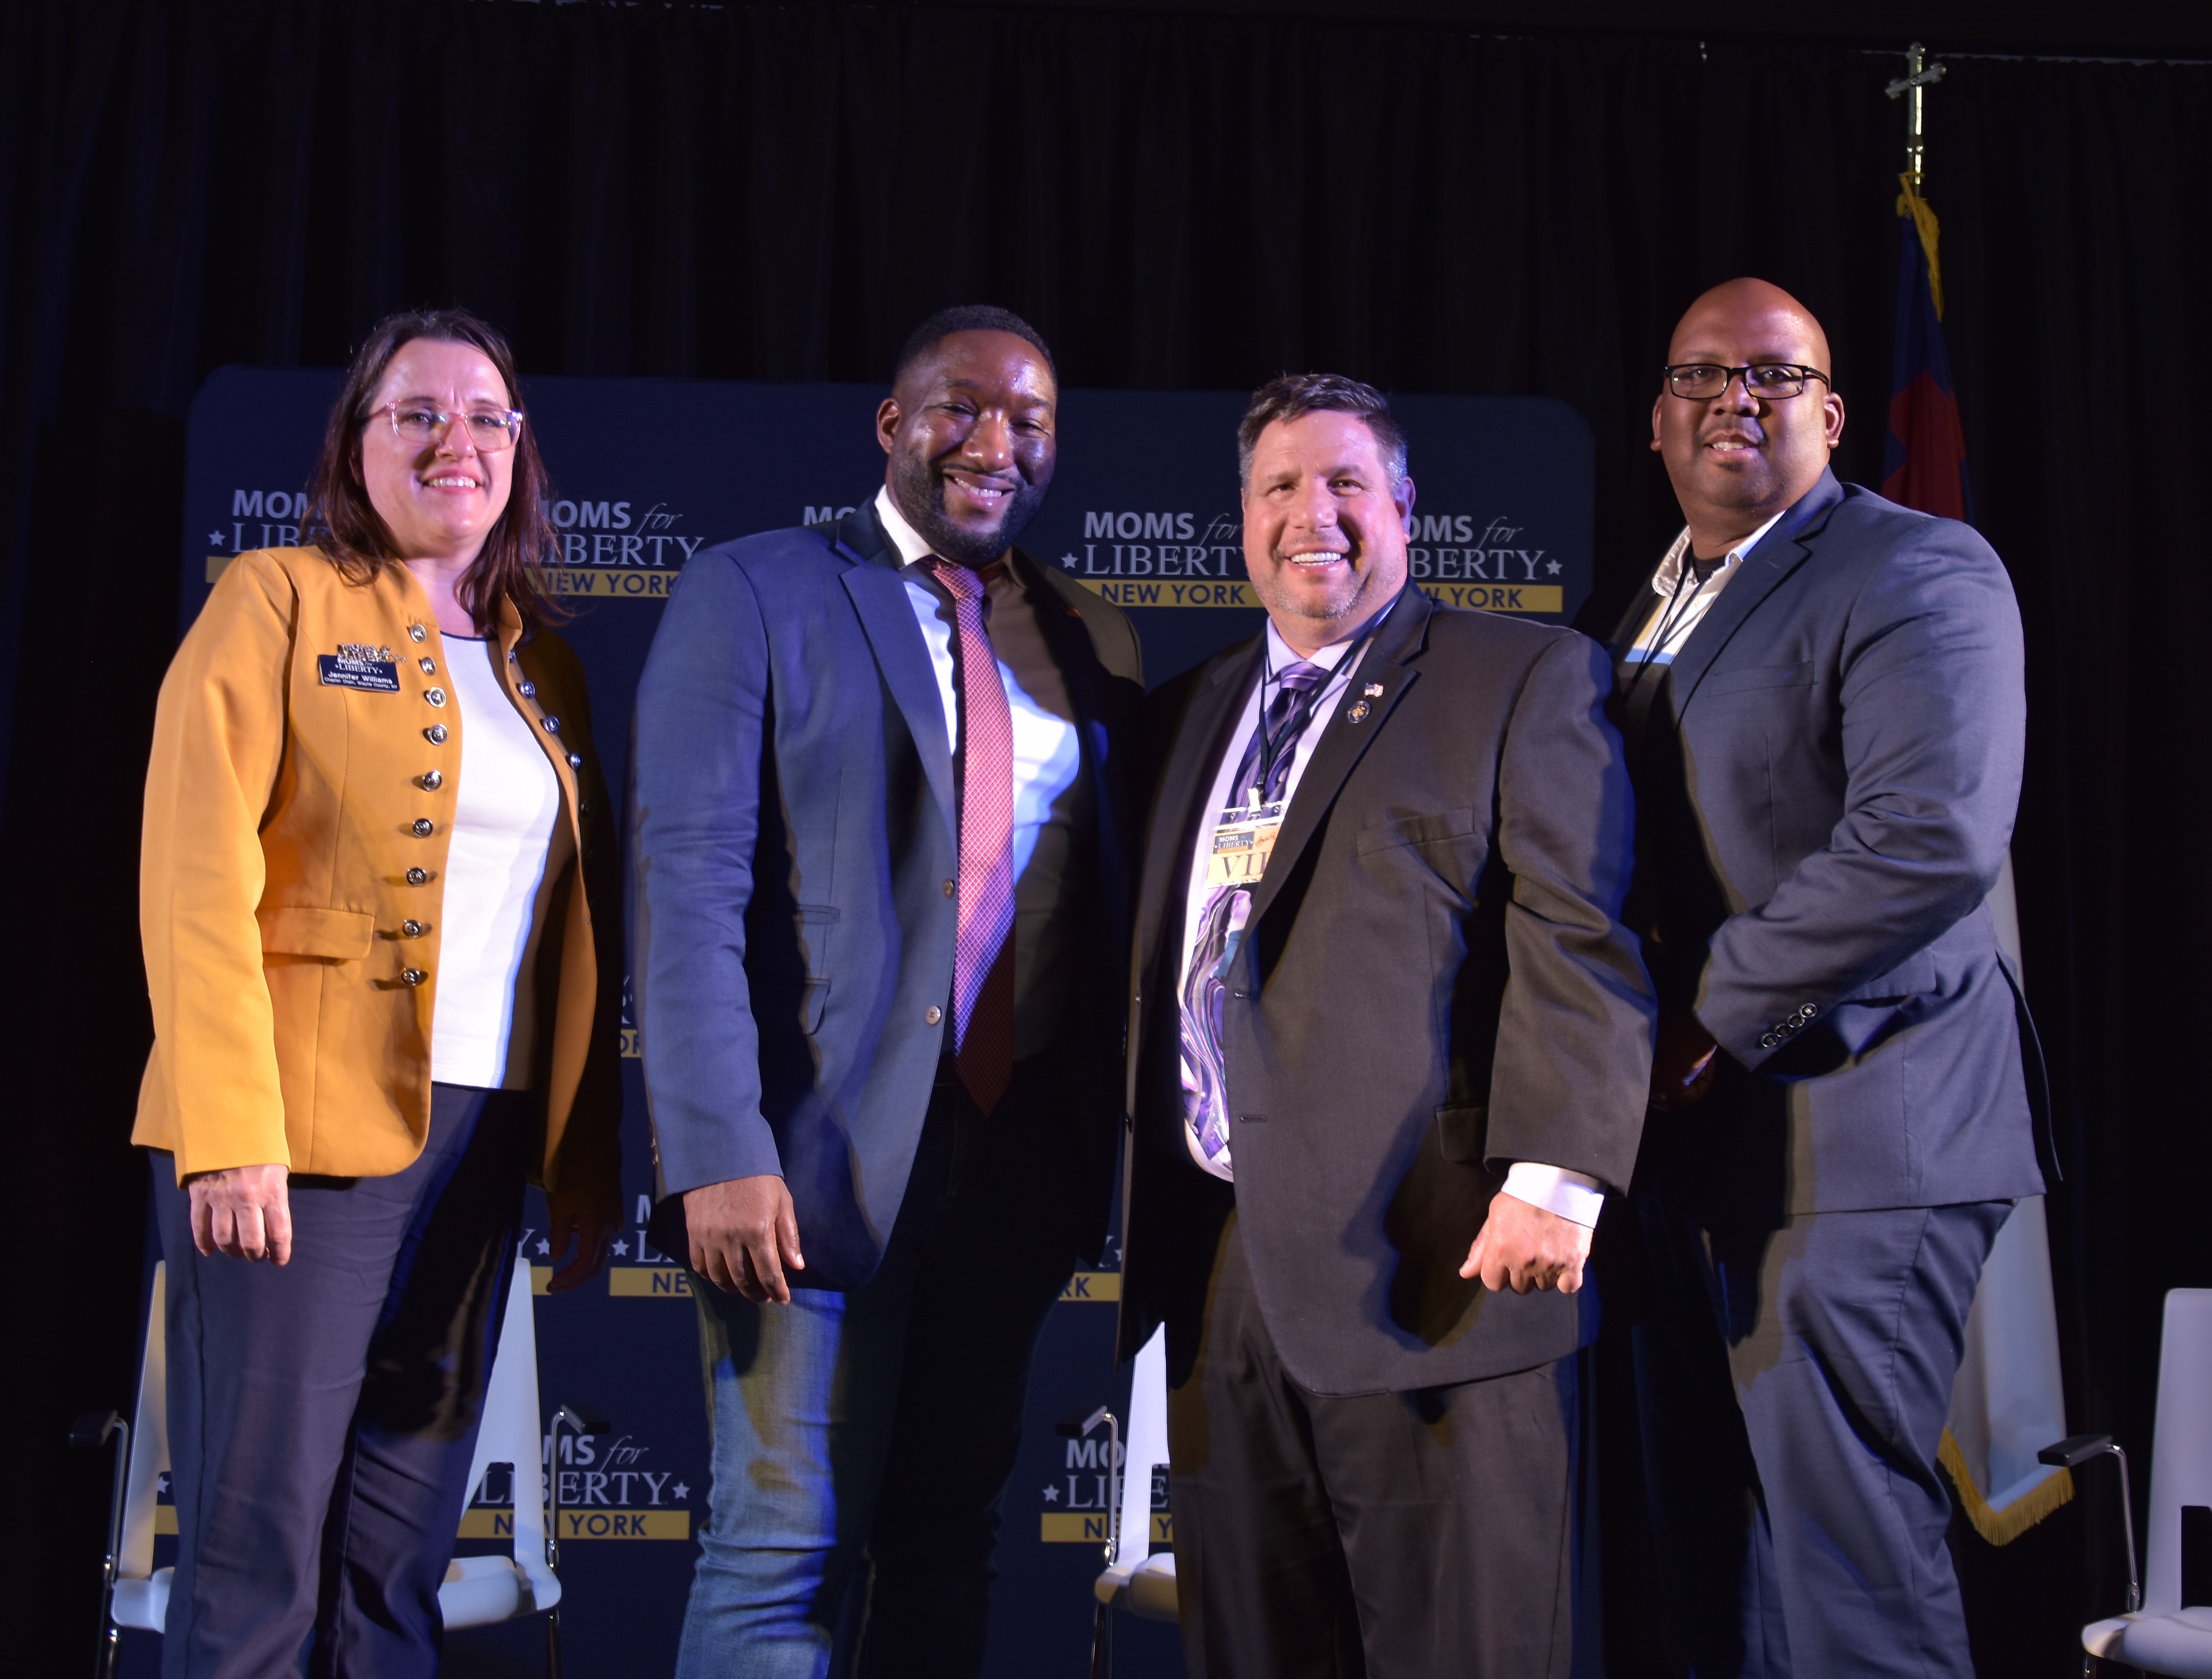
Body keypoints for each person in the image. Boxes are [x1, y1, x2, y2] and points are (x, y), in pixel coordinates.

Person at [629, 305, 1143, 1677]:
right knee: (780, 1545)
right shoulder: (755, 589)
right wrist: (717, 1150)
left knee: (946, 1536)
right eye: (961, 407)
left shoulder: (1093, 632)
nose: (994, 442)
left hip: (1015, 1167)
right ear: (890, 425)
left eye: (1029, 419)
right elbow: (685, 886)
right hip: (806, 1160)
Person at [1116, 373, 1654, 1679]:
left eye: (1347, 482)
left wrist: (1557, 1181)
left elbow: (1578, 932)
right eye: (1281, 487)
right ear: (1244, 518)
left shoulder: (1515, 674)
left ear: (1406, 508)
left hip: (1444, 1265)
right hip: (1223, 1272)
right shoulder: (1185, 711)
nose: (1315, 514)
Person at [134, 307, 623, 1676]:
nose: (455, 439)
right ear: (357, 443)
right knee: (256, 1560)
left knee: (395, 1571)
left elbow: (573, 936)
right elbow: (193, 872)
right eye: (417, 412)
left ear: (520, 450)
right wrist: (229, 1130)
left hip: (481, 1148)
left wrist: (577, 1161)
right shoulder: (276, 597)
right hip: (292, 1141)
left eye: (485, 417)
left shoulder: (546, 664)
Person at [1613, 277, 2042, 1676]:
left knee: (1848, 1575)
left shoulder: (1917, 569)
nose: (1736, 398)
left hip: (1863, 1136)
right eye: (1703, 374)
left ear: (1834, 415)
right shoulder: (1659, 600)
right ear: (1659, 418)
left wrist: (1712, 1017)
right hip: (1705, 1163)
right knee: (1721, 1572)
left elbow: (1928, 839)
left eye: (1775, 375)